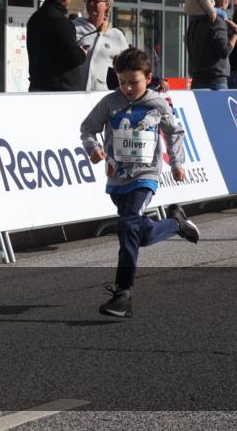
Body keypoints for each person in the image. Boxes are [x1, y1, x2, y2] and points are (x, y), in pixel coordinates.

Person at [80, 47, 199, 319]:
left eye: (134, 82)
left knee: (129, 224)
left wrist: (177, 163)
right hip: (117, 177)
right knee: (137, 232)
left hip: (146, 175)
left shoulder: (157, 104)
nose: (127, 88)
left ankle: (123, 294)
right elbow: (87, 129)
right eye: (122, 82)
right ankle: (175, 224)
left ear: (148, 78)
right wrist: (93, 149)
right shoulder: (109, 103)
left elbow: (174, 132)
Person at [27, 0, 87, 91]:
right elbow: (73, 55)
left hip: (38, 85)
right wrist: (82, 53)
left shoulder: (35, 18)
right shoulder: (60, 21)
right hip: (59, 89)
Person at [74, 0, 129, 92]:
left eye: (95, 1)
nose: (91, 4)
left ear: (107, 5)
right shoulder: (74, 27)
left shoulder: (116, 35)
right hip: (76, 93)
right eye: (88, 1)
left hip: (102, 94)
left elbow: (130, 66)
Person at [186, 0, 236, 90]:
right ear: (224, 2)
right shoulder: (218, 21)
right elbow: (224, 51)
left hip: (197, 79)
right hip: (215, 82)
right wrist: (236, 33)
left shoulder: (194, 22)